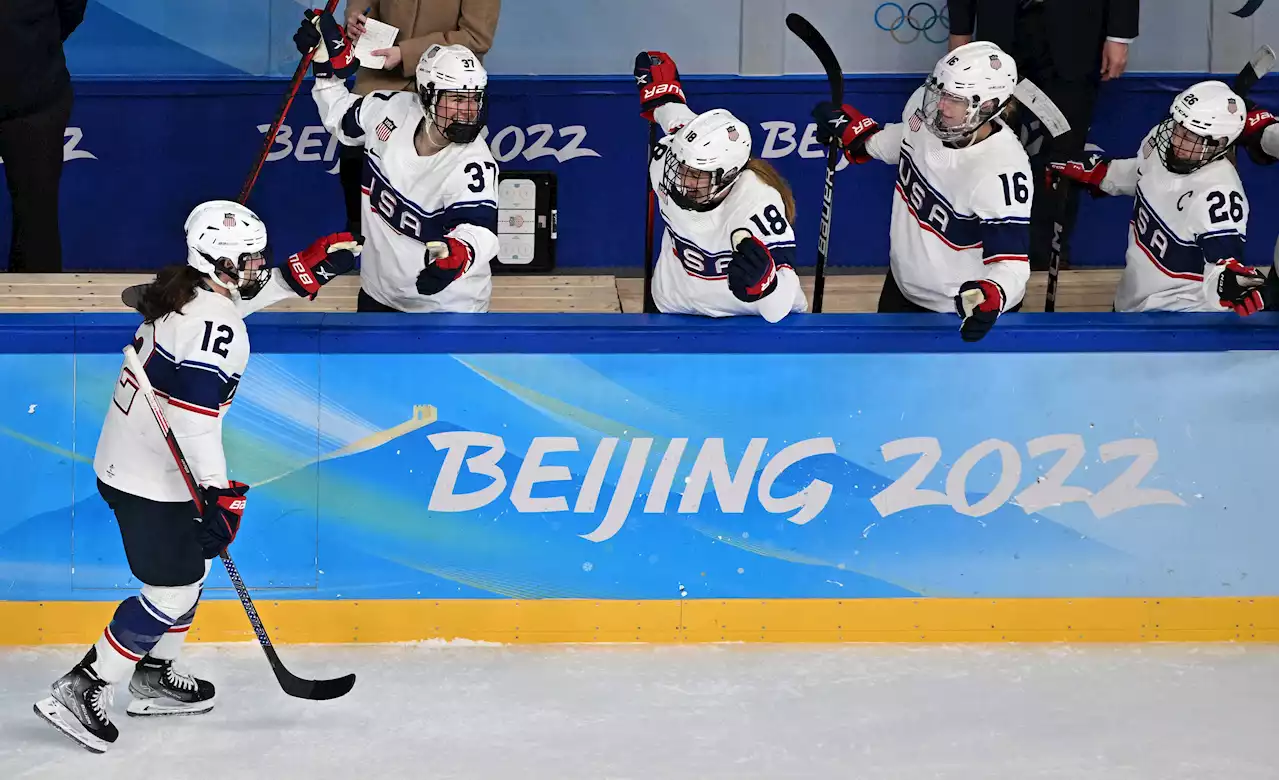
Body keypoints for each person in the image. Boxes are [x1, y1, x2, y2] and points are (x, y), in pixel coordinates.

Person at [33, 201, 359, 753]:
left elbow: (230, 310)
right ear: (221, 264)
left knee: (194, 567)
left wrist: (298, 276)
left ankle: (154, 674)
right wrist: (219, 493)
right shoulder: (214, 319)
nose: (260, 266)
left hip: (135, 462)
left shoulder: (188, 293)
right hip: (149, 477)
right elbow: (193, 417)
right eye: (251, 260)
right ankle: (84, 684)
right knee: (172, 586)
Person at [811, 42, 1032, 342]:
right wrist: (860, 137)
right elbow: (907, 140)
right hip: (902, 288)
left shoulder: (1002, 172)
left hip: (956, 312)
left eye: (954, 99)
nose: (940, 105)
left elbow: (1012, 266)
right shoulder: (929, 111)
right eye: (940, 92)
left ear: (990, 107)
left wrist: (993, 295)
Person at [297, 10, 499, 313]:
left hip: (449, 308)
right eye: (457, 99)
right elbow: (339, 115)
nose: (469, 110)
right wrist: (324, 66)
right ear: (427, 95)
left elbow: (478, 229)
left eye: (474, 98)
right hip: (379, 295)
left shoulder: (474, 162)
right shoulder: (389, 110)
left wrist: (459, 252)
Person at [948, 0, 1139, 273]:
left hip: (1077, 33)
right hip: (998, 30)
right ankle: (985, 253)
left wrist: (1119, 34)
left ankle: (1048, 256)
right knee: (986, 149)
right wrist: (961, 32)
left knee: (1064, 155)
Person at [1047, 81, 1266, 314]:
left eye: (1192, 137)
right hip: (1133, 300)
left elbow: (1223, 262)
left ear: (1220, 143)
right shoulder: (1161, 140)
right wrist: (1101, 173)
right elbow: (1145, 174)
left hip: (1180, 318)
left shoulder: (1218, 193)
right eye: (1179, 128)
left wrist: (1231, 282)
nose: (1179, 141)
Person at [634, 51, 807, 321]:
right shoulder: (669, 157)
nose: (683, 181)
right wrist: (662, 89)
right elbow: (672, 113)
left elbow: (780, 306)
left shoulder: (757, 204)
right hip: (673, 309)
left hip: (745, 322)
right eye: (681, 168)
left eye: (697, 175)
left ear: (728, 176)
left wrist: (766, 287)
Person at [338, 0, 502, 236]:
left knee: (431, 193)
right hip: (376, 77)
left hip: (443, 91)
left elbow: (477, 37)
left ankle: (441, 256)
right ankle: (360, 243)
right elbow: (363, 4)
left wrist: (406, 53)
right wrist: (355, 19)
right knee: (355, 163)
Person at [0, 0, 86, 272]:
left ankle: (38, 312)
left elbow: (70, 9)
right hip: (37, 88)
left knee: (37, 223)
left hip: (37, 100)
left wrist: (30, 46)